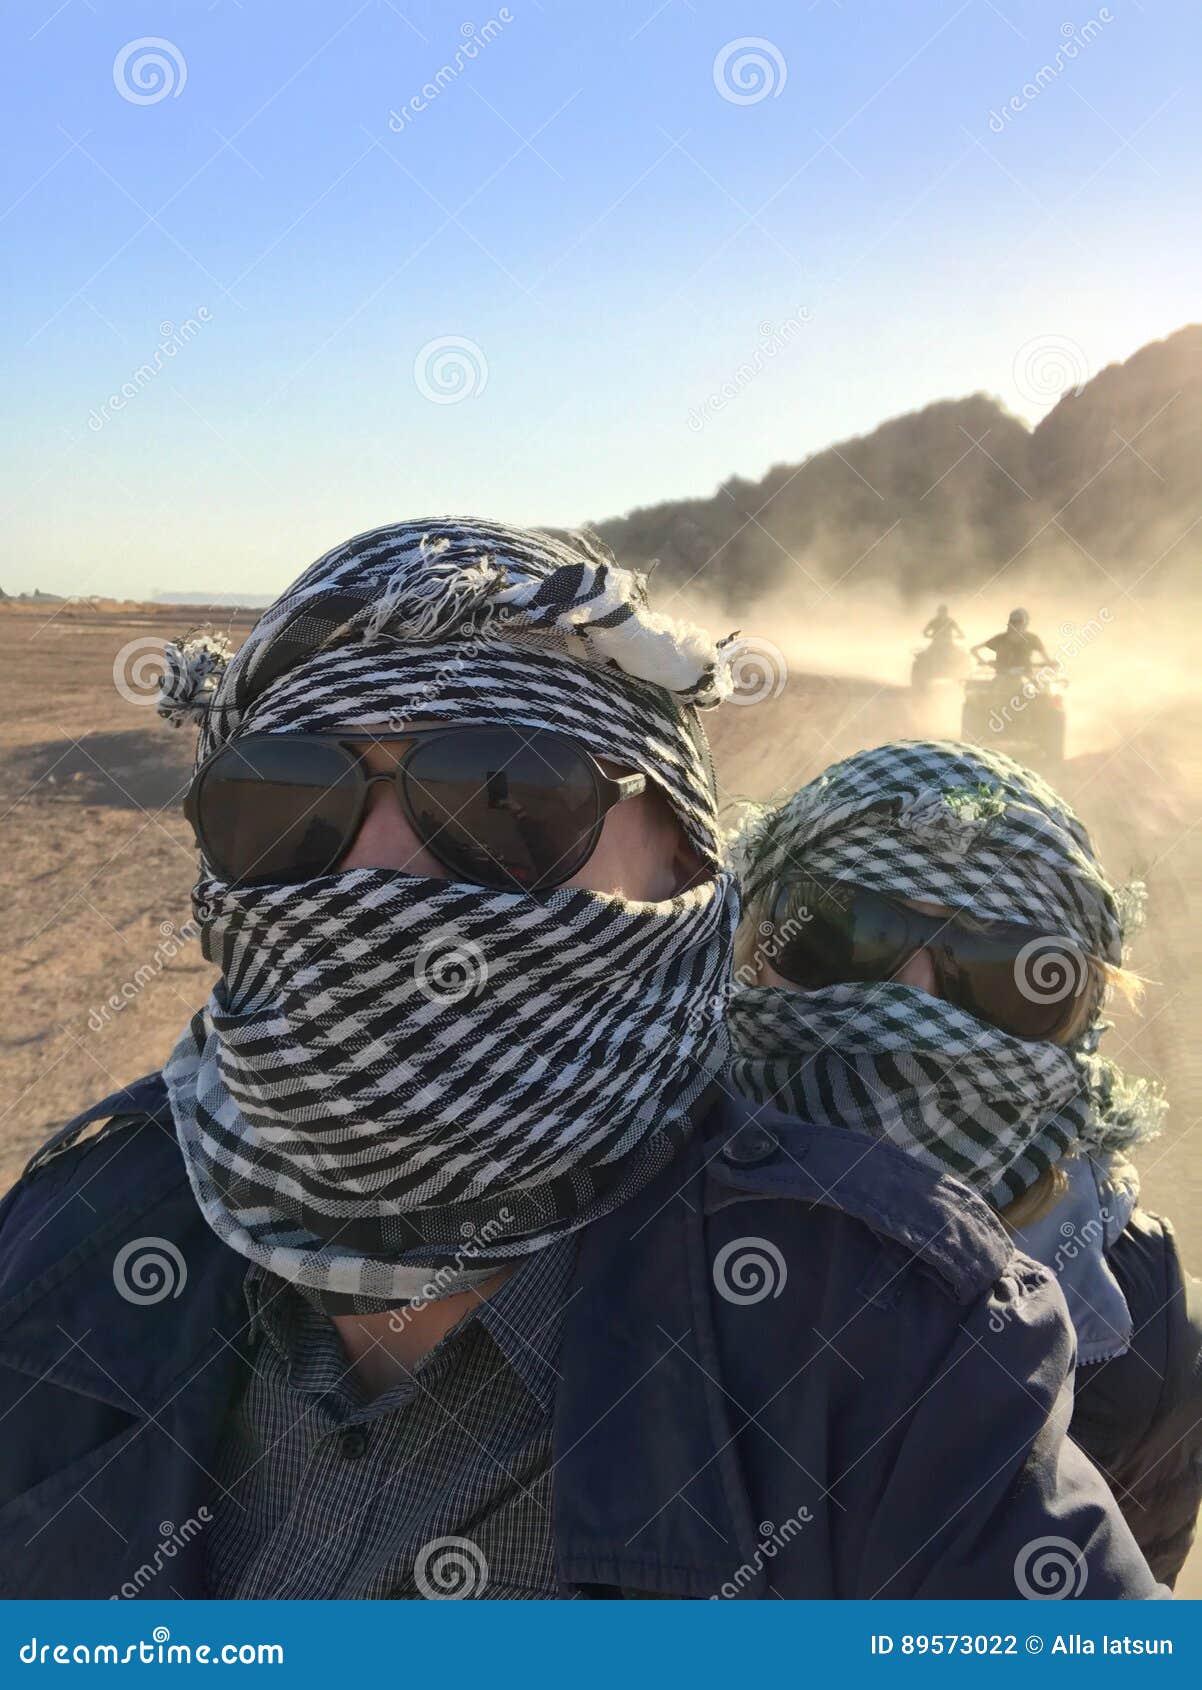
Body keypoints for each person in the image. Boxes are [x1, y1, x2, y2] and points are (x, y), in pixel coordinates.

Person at [0, 523, 1160, 1601]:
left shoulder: (887, 1347)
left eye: (506, 794)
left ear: (684, 865)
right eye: (282, 802)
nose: (376, 872)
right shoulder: (74, 1231)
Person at [728, 738, 1202, 1587]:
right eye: (843, 934)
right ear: (750, 942)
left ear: (1081, 1018)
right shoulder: (603, 1201)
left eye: (1002, 972)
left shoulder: (1141, 1316)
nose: (908, 1007)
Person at [971, 606, 1054, 674]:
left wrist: (982, 661)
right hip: (1022, 677)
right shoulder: (1032, 638)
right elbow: (1047, 660)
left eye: (1017, 623)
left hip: (1004, 678)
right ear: (1025, 623)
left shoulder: (1000, 638)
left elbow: (974, 650)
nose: (1017, 626)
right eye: (1015, 623)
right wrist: (1051, 664)